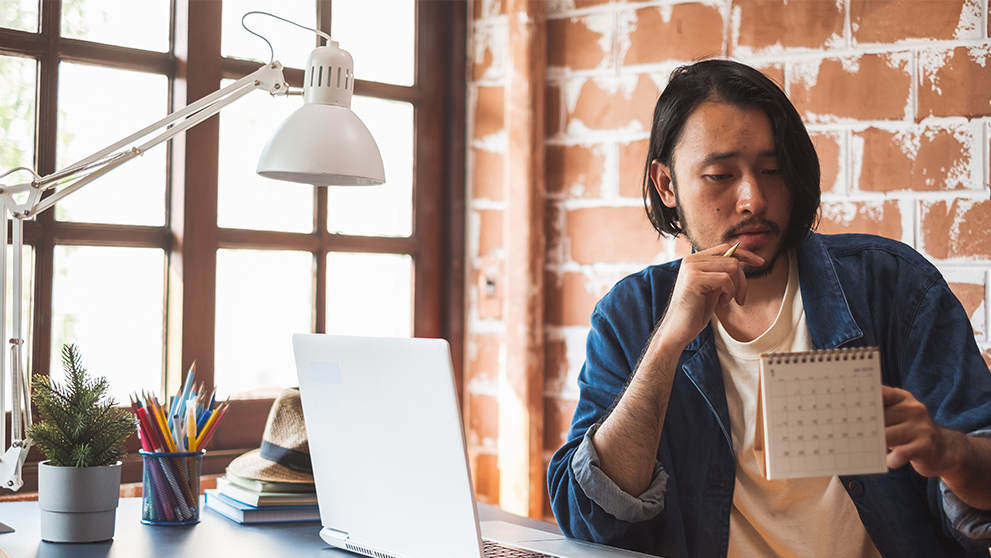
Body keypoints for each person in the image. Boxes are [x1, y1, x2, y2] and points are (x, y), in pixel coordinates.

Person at [546, 59, 991, 557]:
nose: (753, 199)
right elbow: (590, 519)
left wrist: (945, 449)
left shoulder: (891, 286)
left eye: (773, 169)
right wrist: (668, 342)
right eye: (720, 175)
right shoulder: (630, 314)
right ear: (667, 185)